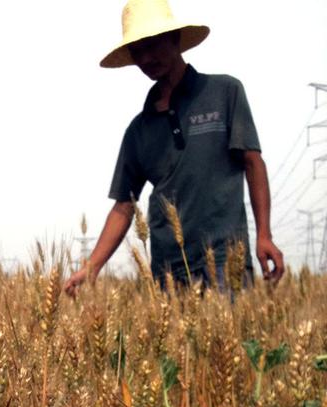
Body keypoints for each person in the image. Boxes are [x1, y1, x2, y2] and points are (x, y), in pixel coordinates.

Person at [64, 0, 284, 297]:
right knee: (176, 345)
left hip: (224, 259)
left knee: (229, 344)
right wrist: (91, 266)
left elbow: (252, 162)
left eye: (153, 44)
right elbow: (123, 206)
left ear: (175, 39)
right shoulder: (138, 131)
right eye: (138, 51)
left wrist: (265, 235)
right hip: (167, 270)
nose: (146, 57)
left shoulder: (225, 92)